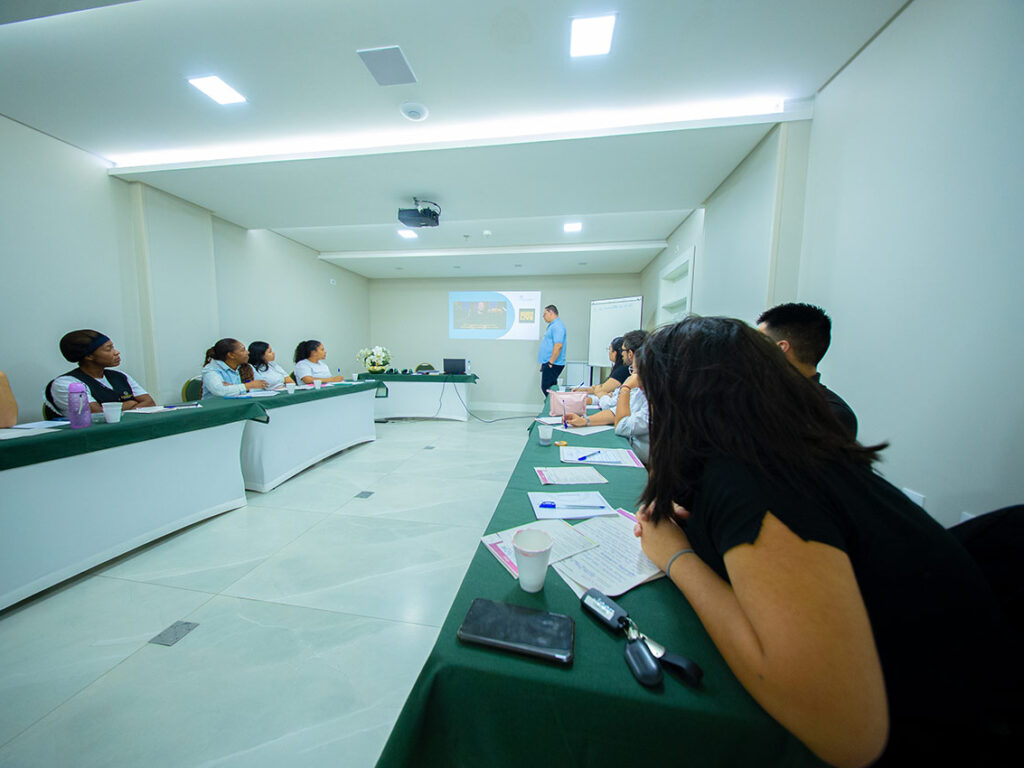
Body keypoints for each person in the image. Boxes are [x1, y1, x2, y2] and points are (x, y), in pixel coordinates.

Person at [631, 317, 1014, 767]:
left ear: (686, 404)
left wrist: (677, 555)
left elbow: (847, 735)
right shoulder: (778, 452)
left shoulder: (754, 483)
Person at [757, 302, 858, 438]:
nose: (751, 349)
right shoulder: (754, 396)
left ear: (780, 348)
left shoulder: (832, 415)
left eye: (758, 342)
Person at [44, 330, 155, 418]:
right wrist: (129, 404)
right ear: (89, 356)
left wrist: (115, 410)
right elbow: (97, 415)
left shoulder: (120, 376)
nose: (116, 352)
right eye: (108, 349)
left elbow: (149, 403)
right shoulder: (67, 383)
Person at [201, 338, 267, 398]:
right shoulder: (211, 370)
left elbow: (261, 385)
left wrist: (232, 388)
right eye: (243, 350)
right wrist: (247, 386)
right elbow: (220, 391)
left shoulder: (247, 367)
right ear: (231, 355)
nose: (248, 352)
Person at [613, 368, 649, 463]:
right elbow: (615, 410)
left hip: (647, 464)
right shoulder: (640, 392)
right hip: (635, 455)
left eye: (636, 372)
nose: (633, 376)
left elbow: (621, 426)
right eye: (632, 370)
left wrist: (625, 388)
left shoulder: (657, 398)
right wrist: (587, 421)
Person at [538, 305, 566, 395]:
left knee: (547, 388)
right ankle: (552, 403)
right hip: (549, 362)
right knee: (549, 387)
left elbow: (558, 346)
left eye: (545, 314)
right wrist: (544, 363)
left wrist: (550, 363)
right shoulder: (552, 326)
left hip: (553, 363)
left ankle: (553, 403)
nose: (543, 316)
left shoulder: (557, 326)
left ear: (551, 313)